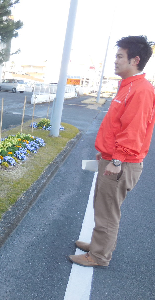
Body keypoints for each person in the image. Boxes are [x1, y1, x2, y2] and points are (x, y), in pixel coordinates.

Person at [68, 36, 155, 267]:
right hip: (113, 158)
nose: (114, 61)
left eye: (119, 56)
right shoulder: (128, 87)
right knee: (102, 206)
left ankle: (98, 256)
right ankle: (97, 245)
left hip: (122, 163)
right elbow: (117, 126)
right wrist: (106, 152)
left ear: (135, 60)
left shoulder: (141, 90)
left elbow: (133, 130)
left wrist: (116, 159)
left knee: (107, 212)